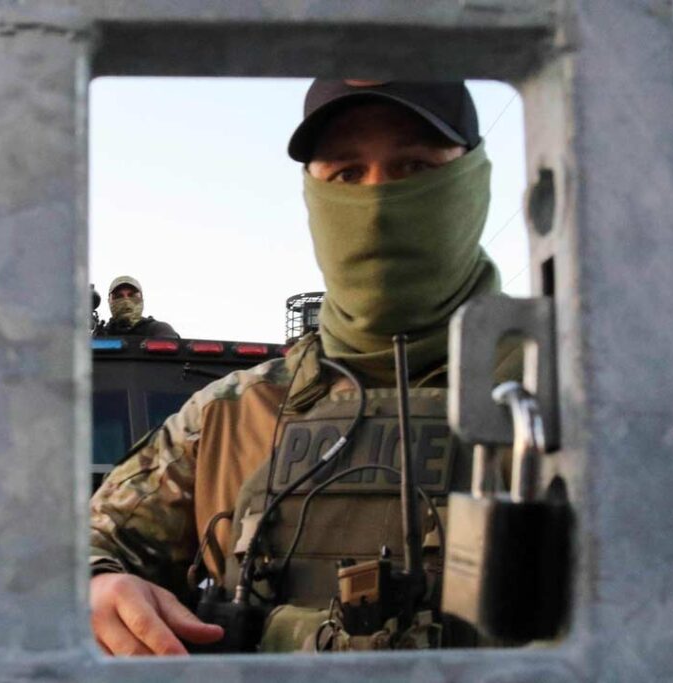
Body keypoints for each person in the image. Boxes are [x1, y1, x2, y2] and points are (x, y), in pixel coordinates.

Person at [89, 79, 519, 656]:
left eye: (414, 167)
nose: (378, 202)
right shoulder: (226, 419)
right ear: (314, 196)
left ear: (472, 183)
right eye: (346, 174)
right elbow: (80, 549)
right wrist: (99, 586)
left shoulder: (568, 400)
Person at [95, 275, 179, 338]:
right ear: (109, 302)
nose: (126, 301)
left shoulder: (158, 330)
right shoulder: (101, 335)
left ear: (142, 299)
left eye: (132, 295)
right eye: (118, 296)